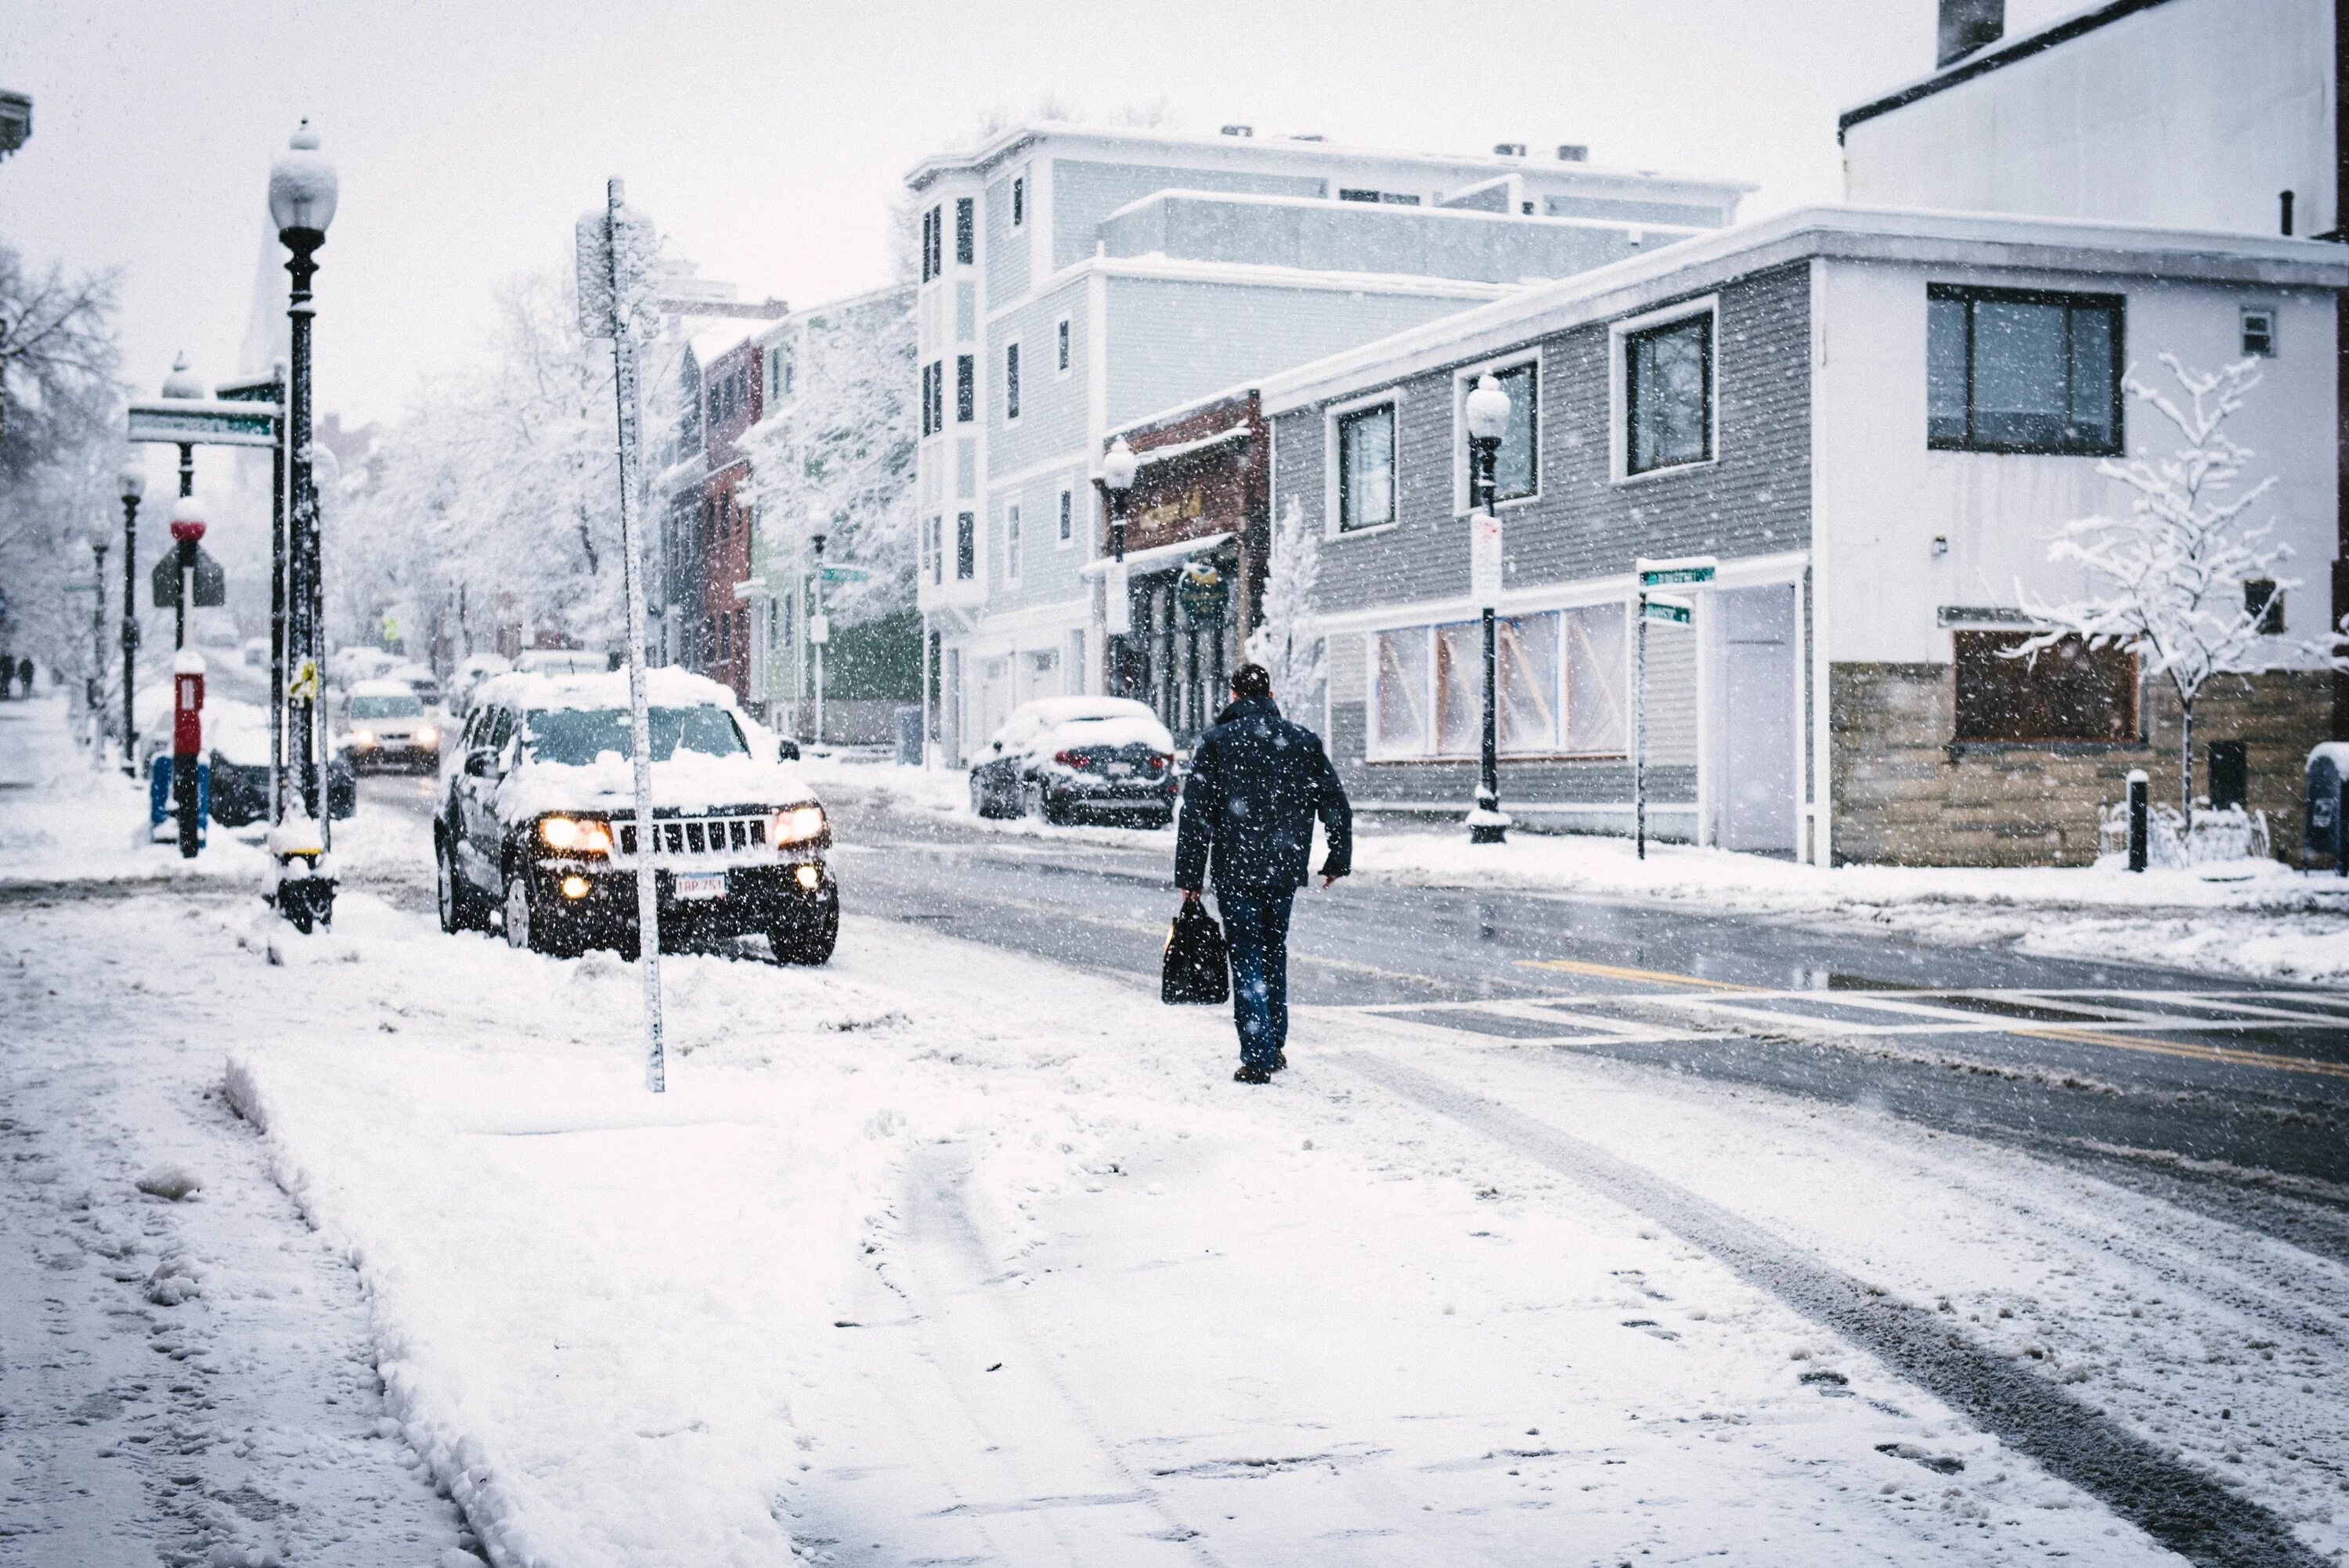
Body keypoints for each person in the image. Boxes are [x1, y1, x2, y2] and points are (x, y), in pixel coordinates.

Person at [1174, 661, 1351, 1084]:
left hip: (1236, 870)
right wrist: (1336, 860)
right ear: (1271, 697)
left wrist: (1190, 879)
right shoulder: (1302, 741)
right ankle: (1275, 1041)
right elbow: (1335, 803)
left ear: (1234, 697)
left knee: (1247, 956)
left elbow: (1196, 815)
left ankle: (1258, 1054)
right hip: (1283, 868)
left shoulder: (1217, 743)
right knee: (1274, 950)